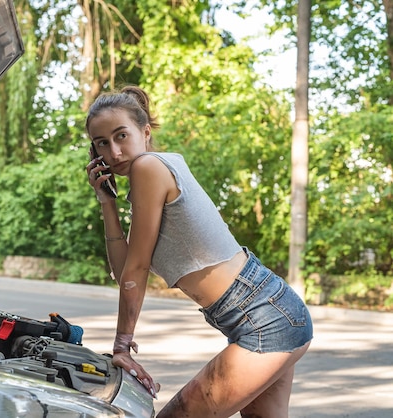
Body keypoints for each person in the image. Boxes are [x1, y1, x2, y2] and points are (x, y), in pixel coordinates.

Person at [85, 85, 313, 418]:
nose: (114, 151)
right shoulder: (152, 172)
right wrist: (107, 201)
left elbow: (135, 271)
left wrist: (122, 345)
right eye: (102, 143)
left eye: (121, 135)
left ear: (145, 132)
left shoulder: (148, 167)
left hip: (264, 318)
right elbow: (125, 272)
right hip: (270, 311)